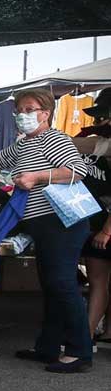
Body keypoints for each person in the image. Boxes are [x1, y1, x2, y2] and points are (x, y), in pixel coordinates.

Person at [0, 88, 91, 373]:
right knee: (52, 285)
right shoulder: (23, 145)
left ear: (45, 113)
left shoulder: (53, 139)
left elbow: (78, 169)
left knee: (62, 284)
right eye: (19, 110)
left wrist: (37, 176)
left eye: (30, 110)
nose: (23, 115)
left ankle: (80, 351)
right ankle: (48, 348)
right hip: (44, 224)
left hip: (62, 222)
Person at [74, 89, 111, 342]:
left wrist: (107, 230)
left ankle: (85, 336)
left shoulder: (101, 143)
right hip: (92, 219)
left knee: (99, 281)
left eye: (103, 116)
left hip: (103, 225)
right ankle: (102, 332)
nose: (99, 122)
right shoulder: (92, 139)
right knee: (100, 280)